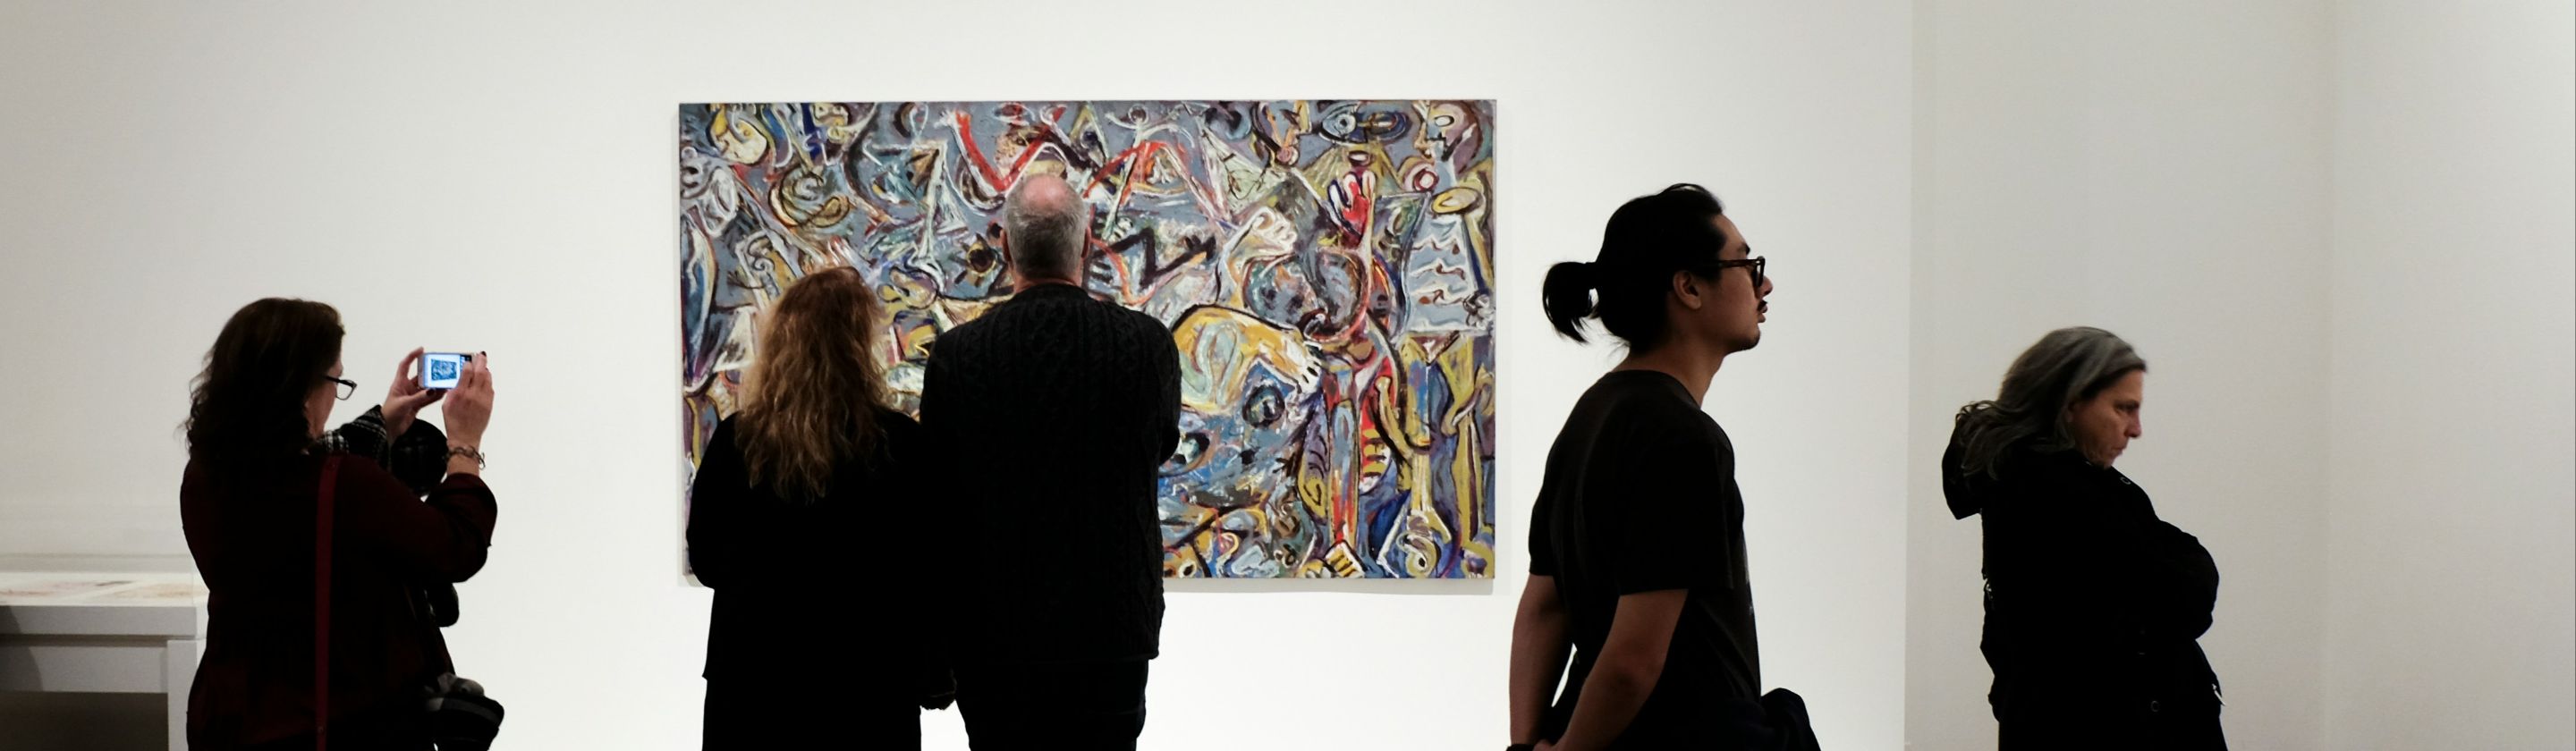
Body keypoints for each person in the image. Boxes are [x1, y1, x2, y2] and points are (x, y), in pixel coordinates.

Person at [1507, 184, 1816, 751]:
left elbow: (1544, 607)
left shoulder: (1592, 415)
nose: (1764, 284)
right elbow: (1633, 659)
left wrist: (1526, 746)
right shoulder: (1682, 438)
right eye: (1747, 265)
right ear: (1689, 287)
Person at [920, 172, 1182, 749]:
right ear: (1086, 244)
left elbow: (938, 503)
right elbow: (1159, 446)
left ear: (1006, 246)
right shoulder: (1147, 347)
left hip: (994, 642)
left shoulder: (957, 358)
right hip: (1111, 634)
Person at [180, 299, 499, 751]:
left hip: (236, 720)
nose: (335, 394)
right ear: (300, 389)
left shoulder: (205, 477)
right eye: (336, 380)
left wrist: (386, 422)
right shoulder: (348, 485)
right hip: (345, 725)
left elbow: (305, 477)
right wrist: (465, 445)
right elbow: (457, 547)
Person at [687, 266, 948, 748]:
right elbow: (928, 569)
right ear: (859, 347)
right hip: (868, 686)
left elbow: (706, 561)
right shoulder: (900, 444)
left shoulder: (736, 442)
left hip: (753, 683)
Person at [1942, 326, 2225, 749]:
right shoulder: (2057, 499)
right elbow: (2185, 598)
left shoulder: (2035, 485)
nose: (2136, 429)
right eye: (2123, 408)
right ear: (2069, 402)